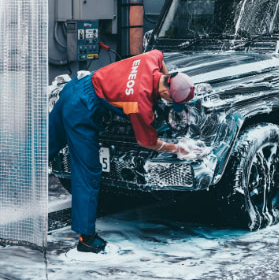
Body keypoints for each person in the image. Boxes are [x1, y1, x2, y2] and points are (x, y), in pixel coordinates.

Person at [49, 49, 198, 254]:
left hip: (75, 87)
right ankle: (87, 240)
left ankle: (12, 180)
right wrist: (177, 148)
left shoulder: (150, 60)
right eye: (171, 101)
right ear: (166, 93)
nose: (169, 104)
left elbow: (160, 55)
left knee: (44, 147)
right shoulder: (140, 102)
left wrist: (167, 79)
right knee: (87, 172)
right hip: (82, 109)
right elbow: (147, 141)